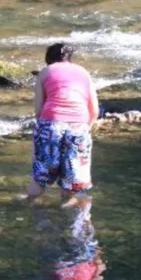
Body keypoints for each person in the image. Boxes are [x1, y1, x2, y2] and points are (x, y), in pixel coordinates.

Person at [28, 43, 99, 202]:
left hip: (51, 123)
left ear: (49, 59)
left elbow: (38, 110)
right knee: (72, 183)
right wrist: (84, 129)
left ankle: (30, 206)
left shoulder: (46, 72)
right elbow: (94, 111)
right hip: (79, 127)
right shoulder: (84, 73)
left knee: (40, 176)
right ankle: (66, 212)